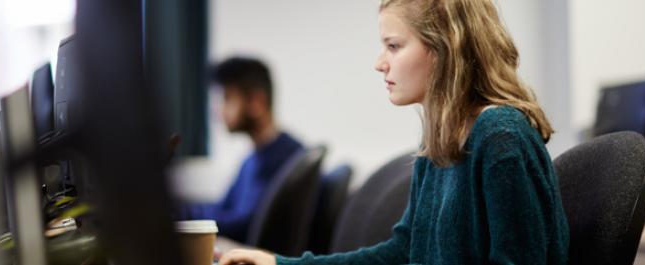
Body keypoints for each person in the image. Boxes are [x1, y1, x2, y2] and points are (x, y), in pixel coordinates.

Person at [218, 0, 569, 264]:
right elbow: (403, 251)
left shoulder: (500, 137)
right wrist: (281, 263)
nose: (379, 62)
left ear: (444, 48)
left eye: (394, 46)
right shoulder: (441, 140)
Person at [181, 57, 304, 243]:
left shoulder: (283, 159)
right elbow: (224, 207)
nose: (219, 111)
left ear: (257, 102)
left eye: (227, 99)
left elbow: (244, 225)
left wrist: (183, 216)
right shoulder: (253, 159)